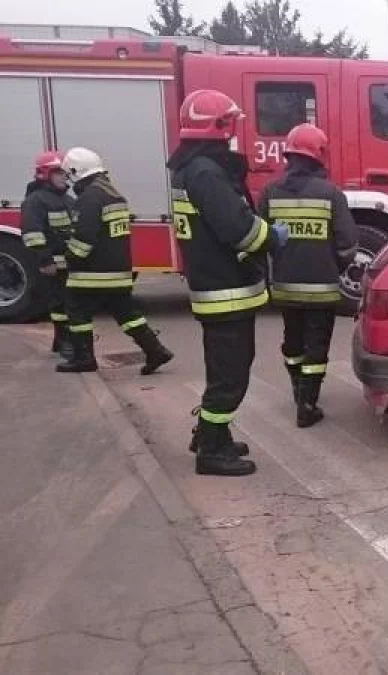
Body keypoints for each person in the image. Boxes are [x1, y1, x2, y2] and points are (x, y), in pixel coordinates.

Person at [167, 89, 288, 477]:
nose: (235, 128)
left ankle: (212, 436)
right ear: (218, 126)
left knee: (226, 369)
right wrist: (272, 236)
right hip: (226, 291)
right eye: (230, 122)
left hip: (216, 288)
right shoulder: (206, 172)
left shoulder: (190, 168)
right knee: (230, 374)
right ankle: (211, 451)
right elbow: (239, 229)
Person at [260, 123, 357, 428]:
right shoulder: (331, 194)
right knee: (316, 345)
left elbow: (258, 236)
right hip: (322, 289)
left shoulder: (270, 192)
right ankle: (308, 403)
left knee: (293, 342)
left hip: (285, 287)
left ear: (289, 155)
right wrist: (332, 267)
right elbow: (348, 245)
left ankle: (297, 390)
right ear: (319, 156)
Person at [56, 147, 174, 375]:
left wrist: (69, 258)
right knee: (127, 314)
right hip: (118, 272)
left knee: (76, 312)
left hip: (91, 274)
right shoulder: (113, 195)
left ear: (76, 171)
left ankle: (84, 359)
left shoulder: (89, 198)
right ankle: (155, 350)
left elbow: (84, 239)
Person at [21, 151, 75, 359]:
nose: (64, 177)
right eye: (58, 173)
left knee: (68, 302)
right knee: (59, 305)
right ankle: (65, 343)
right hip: (52, 264)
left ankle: (60, 341)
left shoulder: (67, 199)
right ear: (45, 174)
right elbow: (33, 234)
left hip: (68, 263)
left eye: (64, 173)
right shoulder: (36, 201)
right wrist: (45, 260)